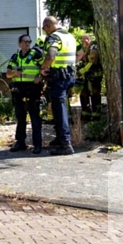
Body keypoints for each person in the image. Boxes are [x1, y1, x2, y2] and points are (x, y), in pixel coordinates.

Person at [39, 16, 77, 156]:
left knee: (59, 110)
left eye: (44, 28)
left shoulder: (54, 37)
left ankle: (65, 144)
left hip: (59, 78)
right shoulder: (69, 36)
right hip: (69, 76)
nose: (44, 31)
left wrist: (43, 68)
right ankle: (60, 139)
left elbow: (50, 56)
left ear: (48, 26)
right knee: (61, 109)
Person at [6, 34, 44, 154]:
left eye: (29, 41)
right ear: (19, 43)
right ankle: (20, 142)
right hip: (19, 89)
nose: (27, 44)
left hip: (33, 89)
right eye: (24, 41)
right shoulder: (15, 57)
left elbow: (45, 68)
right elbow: (8, 74)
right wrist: (15, 73)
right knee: (20, 117)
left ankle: (37, 144)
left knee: (35, 118)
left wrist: (40, 77)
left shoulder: (36, 55)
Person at [78, 35, 103, 117]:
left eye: (85, 40)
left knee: (95, 94)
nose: (83, 42)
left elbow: (93, 60)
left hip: (94, 75)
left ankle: (96, 114)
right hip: (87, 75)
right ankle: (86, 114)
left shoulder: (93, 47)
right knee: (84, 94)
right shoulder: (86, 49)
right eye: (82, 41)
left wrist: (82, 71)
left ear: (88, 39)